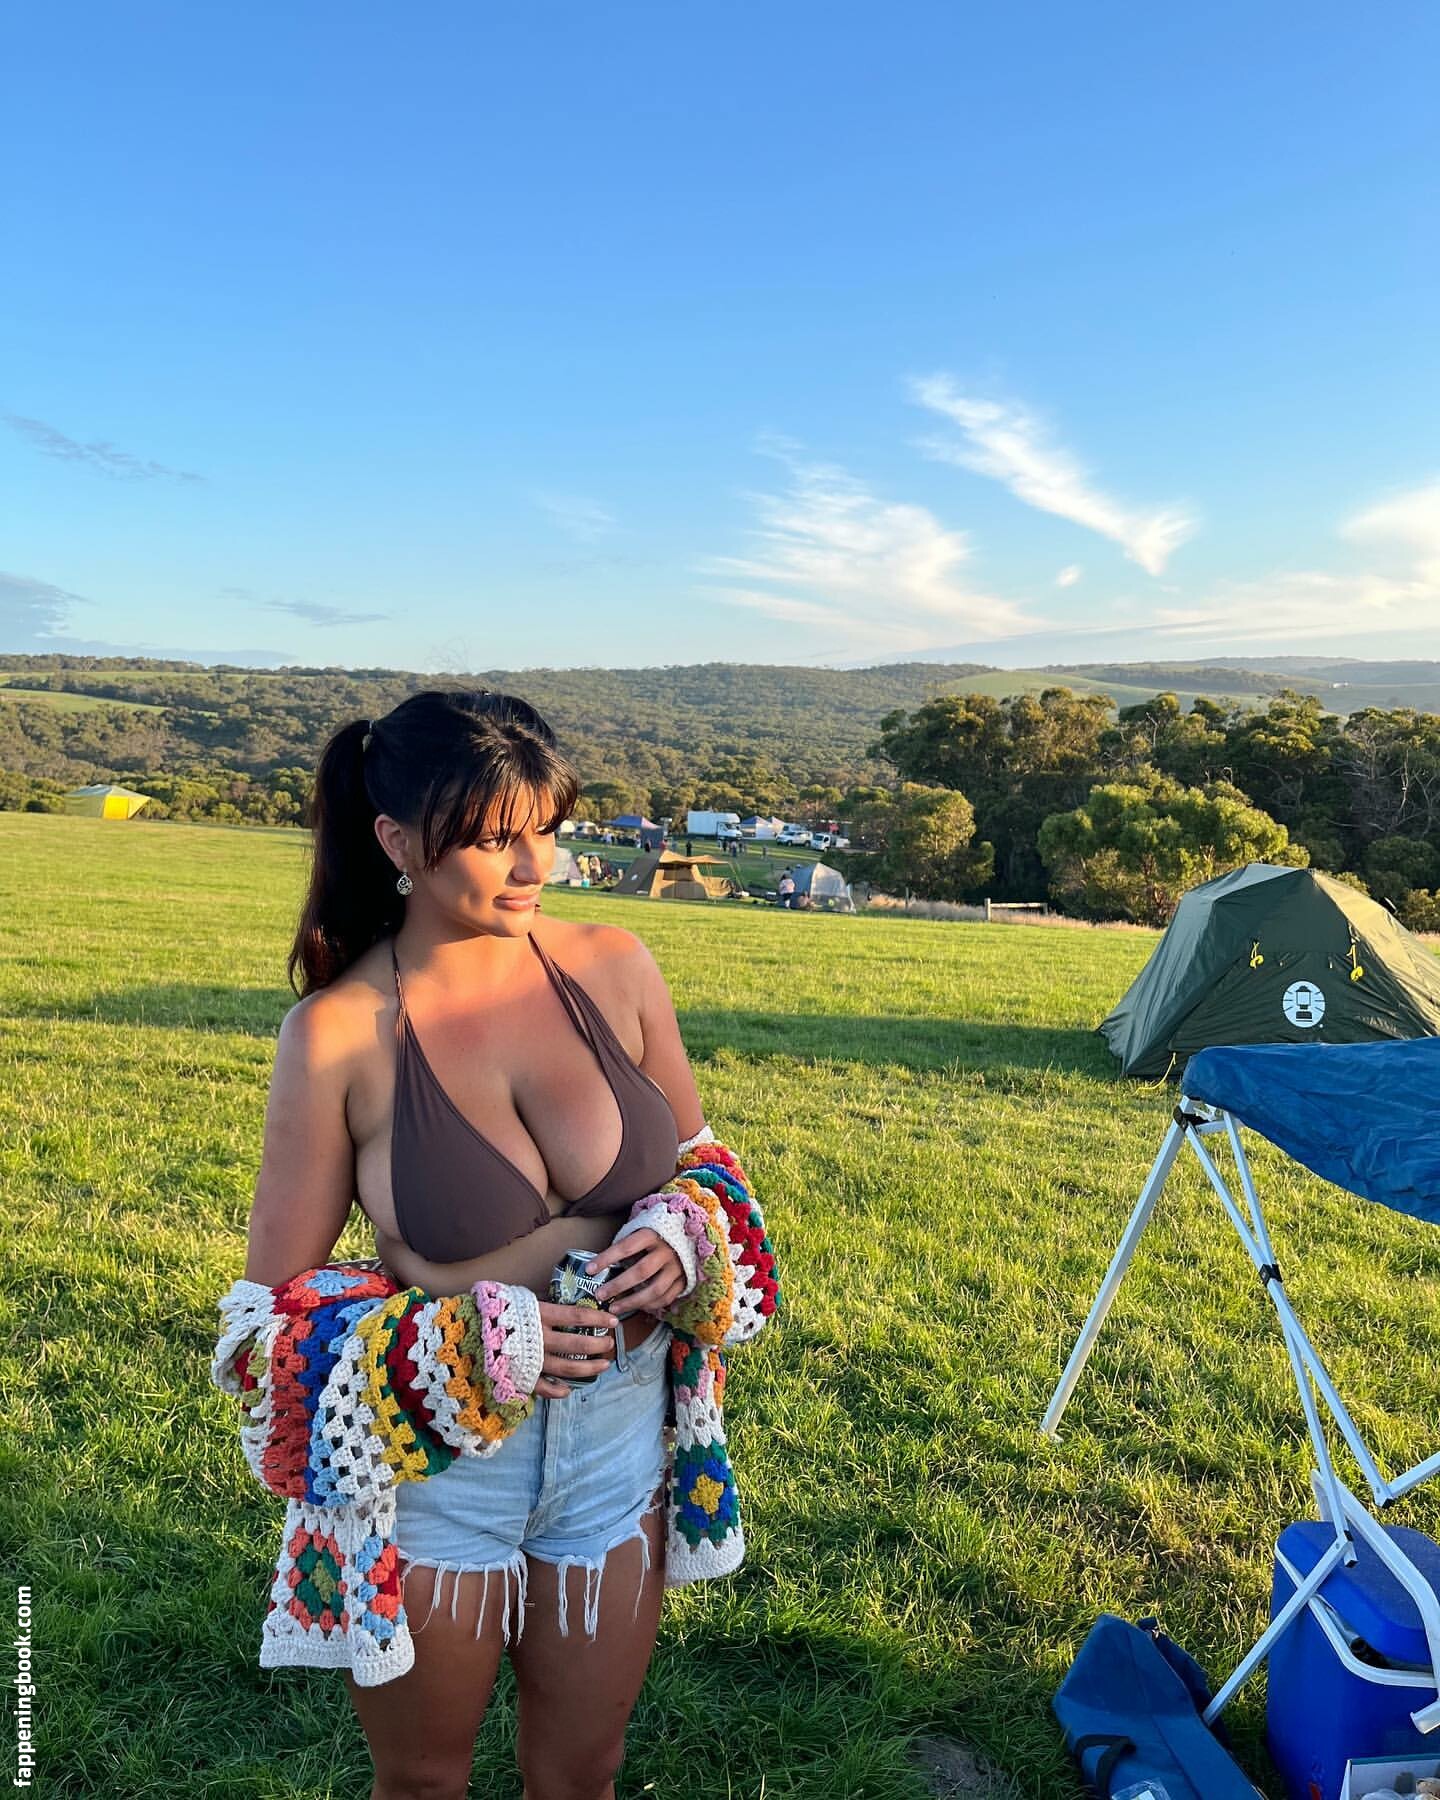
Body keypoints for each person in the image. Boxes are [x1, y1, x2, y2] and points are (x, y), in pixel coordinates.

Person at [244, 689, 711, 1800]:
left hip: (619, 1442)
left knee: (585, 1774)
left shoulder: (616, 965)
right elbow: (269, 1320)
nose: (535, 863)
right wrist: (456, 1349)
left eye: (545, 827)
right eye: (496, 837)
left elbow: (704, 1167)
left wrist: (685, 1233)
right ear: (397, 841)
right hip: (441, 1468)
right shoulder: (337, 1034)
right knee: (422, 1783)